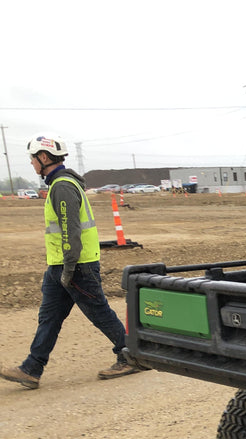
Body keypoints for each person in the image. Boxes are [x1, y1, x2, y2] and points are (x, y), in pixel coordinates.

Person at [1, 135, 141, 390]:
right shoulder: (59, 184)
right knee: (50, 317)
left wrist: (68, 268)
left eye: (33, 159)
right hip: (60, 266)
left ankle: (131, 355)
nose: (31, 164)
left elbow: (71, 230)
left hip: (76, 266)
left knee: (98, 311)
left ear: (44, 158)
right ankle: (32, 368)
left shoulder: (63, 187)